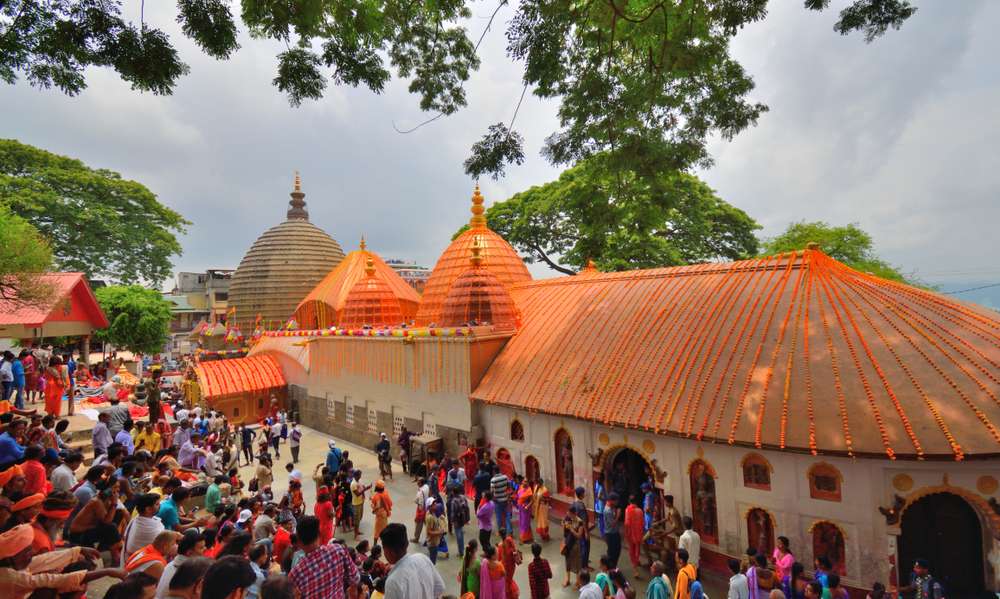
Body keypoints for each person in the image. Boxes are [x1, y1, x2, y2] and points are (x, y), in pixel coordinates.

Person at [380, 522, 445, 599]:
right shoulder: (422, 558)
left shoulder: (393, 582)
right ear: (407, 544)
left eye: (383, 549)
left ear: (390, 552)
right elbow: (440, 587)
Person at [156, 530, 205, 598]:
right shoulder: (186, 573)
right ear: (189, 553)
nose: (205, 549)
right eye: (201, 548)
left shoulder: (172, 564)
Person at [625, 496, 645, 574]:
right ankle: (636, 562)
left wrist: (626, 533)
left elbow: (627, 523)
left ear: (629, 502)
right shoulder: (640, 511)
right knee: (637, 549)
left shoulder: (627, 510)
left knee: (631, 550)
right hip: (638, 533)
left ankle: (635, 568)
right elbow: (643, 523)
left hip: (630, 533)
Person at [603, 493, 622, 568]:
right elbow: (612, 524)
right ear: (612, 501)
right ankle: (611, 567)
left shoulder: (611, 507)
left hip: (613, 532)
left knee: (615, 550)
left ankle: (612, 566)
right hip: (611, 534)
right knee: (613, 552)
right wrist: (618, 515)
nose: (617, 503)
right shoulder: (608, 511)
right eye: (616, 501)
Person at [490, 470, 511, 535]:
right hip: (505, 499)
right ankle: (509, 531)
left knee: (499, 516)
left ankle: (501, 531)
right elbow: (508, 486)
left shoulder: (493, 479)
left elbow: (491, 491)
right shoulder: (505, 477)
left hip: (498, 501)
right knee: (507, 515)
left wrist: (493, 498)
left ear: (494, 472)